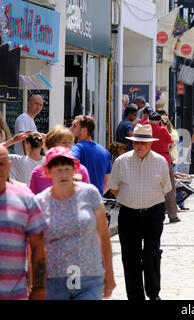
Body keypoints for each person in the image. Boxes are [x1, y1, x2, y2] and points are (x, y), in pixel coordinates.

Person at [36, 146, 115, 300]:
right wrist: (36, 284)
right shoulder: (40, 202)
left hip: (89, 275)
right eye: (58, 169)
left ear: (74, 170)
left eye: (67, 168)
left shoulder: (90, 194)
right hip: (55, 278)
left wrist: (109, 275)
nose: (63, 174)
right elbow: (36, 246)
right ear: (48, 172)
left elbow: (104, 235)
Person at [108, 124, 172, 300]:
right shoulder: (121, 161)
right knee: (130, 257)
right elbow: (113, 187)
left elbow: (165, 189)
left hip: (153, 213)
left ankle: (153, 293)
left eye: (143, 142)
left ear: (150, 143)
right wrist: (131, 198)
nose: (139, 145)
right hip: (129, 214)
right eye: (136, 142)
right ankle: (135, 296)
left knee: (152, 254)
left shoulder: (160, 161)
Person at [0, 145, 47, 300]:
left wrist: (38, 289)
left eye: (1, 164)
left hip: (15, 294)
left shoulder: (25, 198)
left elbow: (38, 247)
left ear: (9, 166)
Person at [29, 125, 90, 195]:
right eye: (64, 142)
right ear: (51, 145)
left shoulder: (81, 170)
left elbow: (88, 200)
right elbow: (33, 202)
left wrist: (80, 186)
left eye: (70, 142)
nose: (68, 146)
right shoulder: (38, 172)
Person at [149, 112, 180, 223]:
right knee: (169, 188)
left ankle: (152, 215)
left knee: (152, 187)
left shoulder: (147, 129)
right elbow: (170, 140)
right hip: (165, 159)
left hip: (150, 160)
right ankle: (173, 215)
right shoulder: (162, 129)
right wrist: (163, 126)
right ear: (159, 120)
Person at [70, 115, 112, 195]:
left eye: (74, 126)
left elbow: (67, 161)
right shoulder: (105, 152)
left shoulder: (77, 148)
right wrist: (97, 195)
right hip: (97, 203)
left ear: (84, 130)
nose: (70, 128)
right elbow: (109, 182)